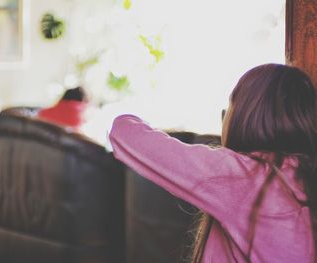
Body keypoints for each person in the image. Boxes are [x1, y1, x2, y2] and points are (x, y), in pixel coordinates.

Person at [109, 64, 317, 262]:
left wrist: (128, 117)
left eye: (230, 105)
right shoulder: (304, 174)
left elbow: (124, 132)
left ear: (246, 114)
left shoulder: (244, 176)